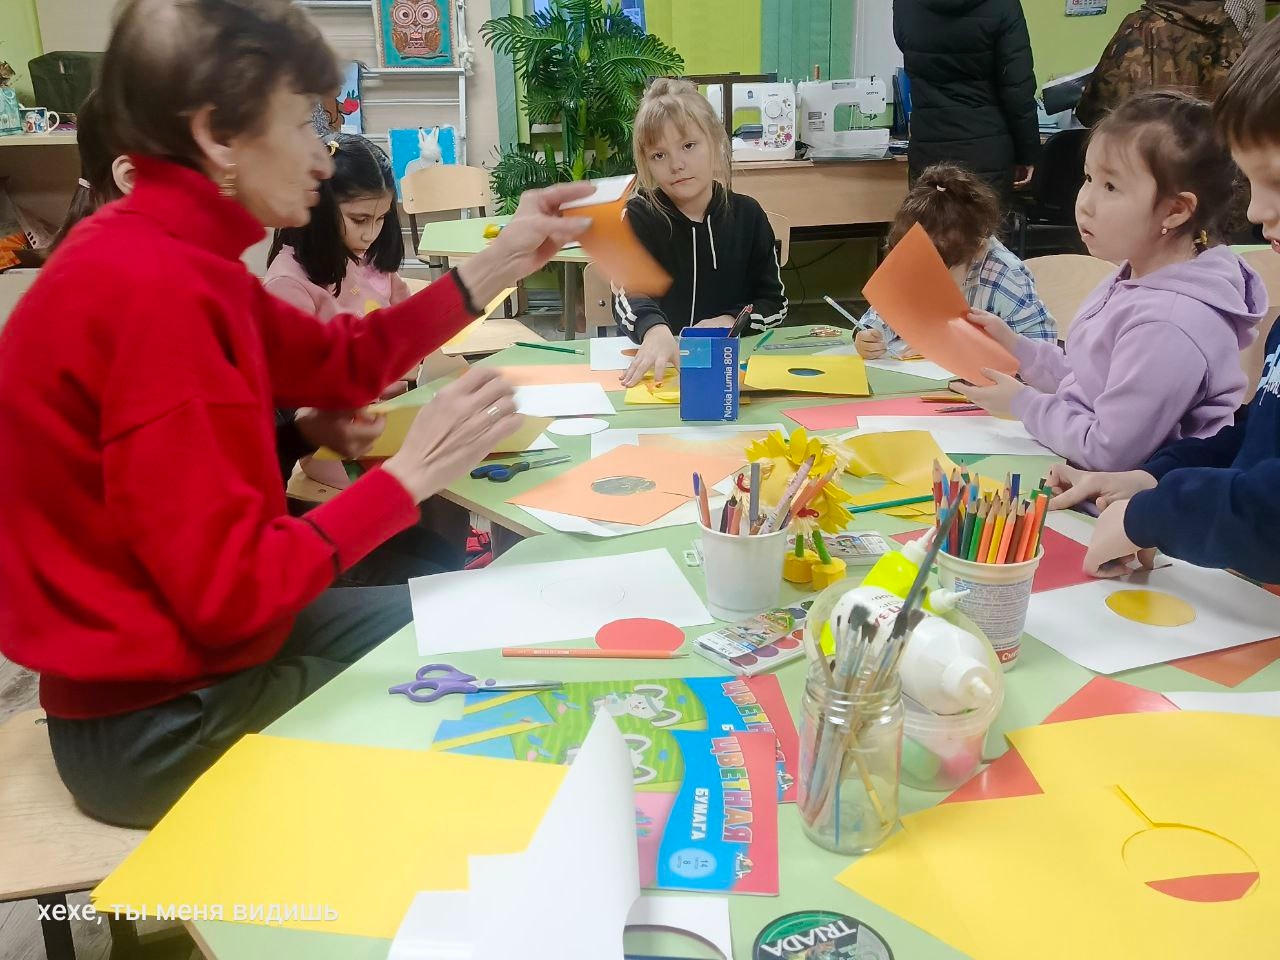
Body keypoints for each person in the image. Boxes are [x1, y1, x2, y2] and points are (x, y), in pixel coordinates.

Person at [0, 0, 590, 828]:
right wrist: (409, 477)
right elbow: (231, 591)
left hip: (207, 655)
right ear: (217, 136)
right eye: (304, 123)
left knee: (483, 621)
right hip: (157, 723)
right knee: (482, 712)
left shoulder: (174, 256)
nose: (323, 156)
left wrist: (500, 260)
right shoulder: (154, 295)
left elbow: (343, 362)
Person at [1048, 18, 1280, 580]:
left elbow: (1271, 514)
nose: (1256, 212)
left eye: (1278, 181)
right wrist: (1152, 478)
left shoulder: (1173, 320)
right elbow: (1254, 439)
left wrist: (1150, 514)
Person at [958, 92, 1266, 473]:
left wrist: (1024, 404)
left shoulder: (1169, 324)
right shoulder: (1136, 273)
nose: (1084, 202)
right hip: (1089, 476)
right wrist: (1018, 349)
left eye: (1110, 187)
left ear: (1175, 210)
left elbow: (1109, 450)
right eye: (1089, 178)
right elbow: (1090, 380)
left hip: (1128, 497)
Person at [614, 78, 787, 388]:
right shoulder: (638, 217)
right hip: (658, 375)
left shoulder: (748, 215)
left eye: (688, 146)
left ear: (716, 142)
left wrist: (730, 322)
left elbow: (774, 303)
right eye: (659, 155)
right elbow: (627, 295)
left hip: (730, 373)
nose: (676, 165)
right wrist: (654, 330)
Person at [854, 163, 1055, 361]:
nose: (926, 281)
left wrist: (957, 349)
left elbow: (1041, 351)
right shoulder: (914, 265)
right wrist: (869, 336)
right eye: (917, 265)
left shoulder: (1003, 274)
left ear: (977, 249)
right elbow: (885, 313)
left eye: (938, 270)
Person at [893, 0, 1039, 204]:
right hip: (986, 152)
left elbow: (907, 48)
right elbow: (1018, 89)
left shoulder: (905, 4)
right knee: (985, 224)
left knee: (930, 223)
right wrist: (1027, 154)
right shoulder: (1004, 5)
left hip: (928, 149)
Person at [1075, 0, 1244, 127]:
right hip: (1211, 154)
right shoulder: (1228, 29)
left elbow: (1095, 110)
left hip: (1152, 152)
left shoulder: (1141, 26)